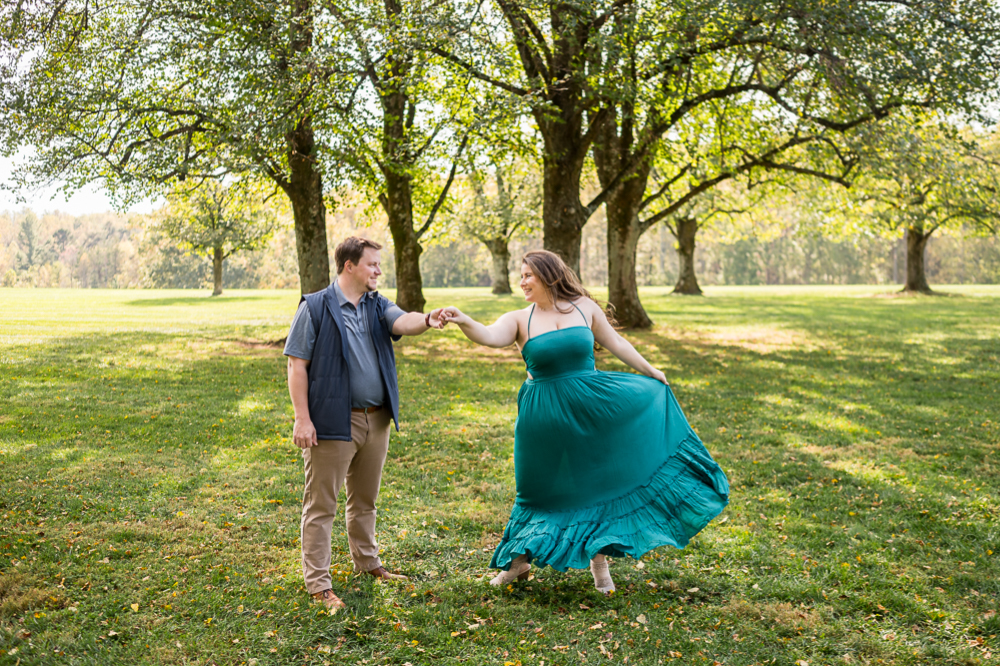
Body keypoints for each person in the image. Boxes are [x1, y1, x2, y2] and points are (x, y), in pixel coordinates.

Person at [440, 250, 729, 594]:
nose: (522, 282)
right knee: (535, 489)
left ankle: (599, 561)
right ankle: (518, 562)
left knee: (596, 483)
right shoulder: (520, 318)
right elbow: (489, 336)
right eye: (521, 276)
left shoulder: (583, 307)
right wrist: (462, 320)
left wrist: (651, 371)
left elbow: (616, 342)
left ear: (548, 275)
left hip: (591, 407)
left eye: (528, 275)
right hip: (542, 416)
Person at [284, 236, 446, 613]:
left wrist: (426, 319)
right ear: (349, 266)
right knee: (321, 505)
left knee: (365, 501)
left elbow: (402, 322)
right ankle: (319, 585)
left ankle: (368, 562)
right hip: (332, 422)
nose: (378, 270)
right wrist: (303, 419)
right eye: (372, 264)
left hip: (377, 420)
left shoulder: (377, 305)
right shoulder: (315, 307)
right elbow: (296, 365)